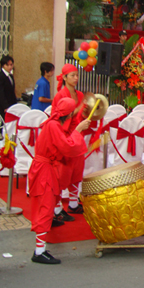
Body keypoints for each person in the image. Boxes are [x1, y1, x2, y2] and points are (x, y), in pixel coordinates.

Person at [28, 97, 90, 265]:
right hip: (44, 170)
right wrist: (77, 130)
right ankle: (39, 251)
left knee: (45, 205)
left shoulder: (52, 124)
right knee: (45, 207)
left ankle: (40, 248)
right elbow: (68, 147)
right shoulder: (54, 126)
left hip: (43, 168)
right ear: (68, 113)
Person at [52, 64, 89, 216]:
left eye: (76, 75)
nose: (75, 78)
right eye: (72, 75)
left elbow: (83, 114)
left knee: (77, 171)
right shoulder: (60, 96)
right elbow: (55, 118)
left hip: (78, 137)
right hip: (65, 137)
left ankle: (73, 203)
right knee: (62, 172)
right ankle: (57, 207)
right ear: (65, 77)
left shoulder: (80, 95)